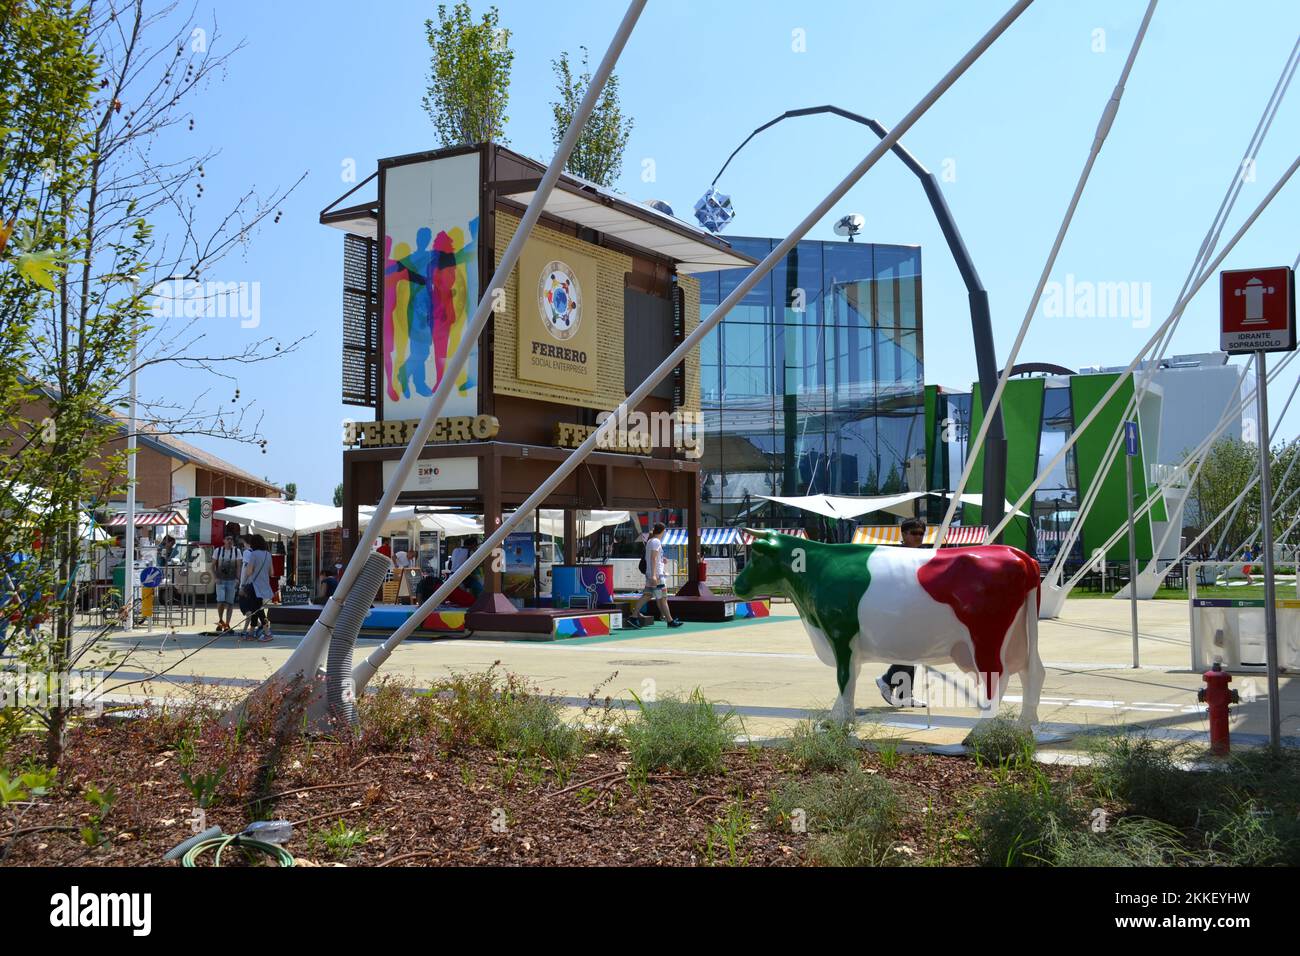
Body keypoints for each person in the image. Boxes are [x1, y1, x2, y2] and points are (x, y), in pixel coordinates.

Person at [876, 517, 928, 708]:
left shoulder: (922, 554)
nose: (919, 537)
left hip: (914, 609)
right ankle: (887, 680)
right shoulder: (894, 554)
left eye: (922, 534)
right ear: (904, 534)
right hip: (898, 609)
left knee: (913, 652)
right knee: (909, 652)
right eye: (914, 533)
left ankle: (905, 694)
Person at [626, 523, 683, 629]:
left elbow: (653, 558)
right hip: (657, 575)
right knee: (663, 598)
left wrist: (661, 561)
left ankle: (633, 616)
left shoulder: (650, 541)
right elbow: (653, 558)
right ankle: (670, 621)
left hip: (651, 574)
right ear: (663, 531)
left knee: (647, 596)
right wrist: (653, 575)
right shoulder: (656, 542)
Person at [239, 533, 275, 642]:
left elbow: (249, 571)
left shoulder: (253, 554)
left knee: (258, 610)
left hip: (254, 586)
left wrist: (243, 584)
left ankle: (267, 633)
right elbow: (272, 572)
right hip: (264, 585)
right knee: (256, 608)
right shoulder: (268, 555)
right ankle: (251, 633)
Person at [211, 528, 242, 634]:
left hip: (232, 580)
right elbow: (212, 566)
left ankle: (227, 624)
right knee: (220, 601)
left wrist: (238, 579)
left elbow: (239, 566)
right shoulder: (218, 551)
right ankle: (220, 620)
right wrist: (215, 577)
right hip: (220, 580)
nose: (230, 541)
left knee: (230, 603)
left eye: (231, 539)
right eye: (228, 539)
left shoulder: (237, 551)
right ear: (223, 540)